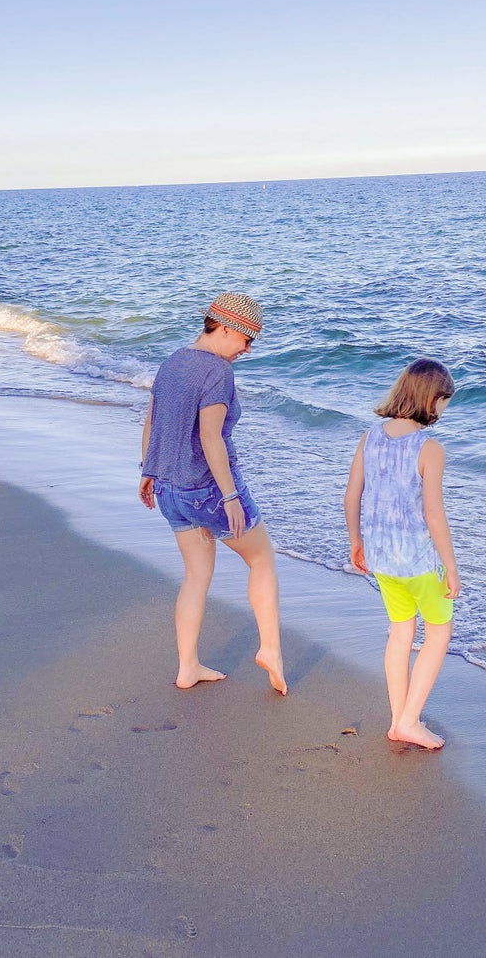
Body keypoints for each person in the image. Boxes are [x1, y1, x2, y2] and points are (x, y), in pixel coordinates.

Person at [139, 292, 287, 694]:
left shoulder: (172, 362)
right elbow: (210, 438)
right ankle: (270, 649)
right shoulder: (217, 373)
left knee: (196, 575)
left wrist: (147, 472)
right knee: (261, 557)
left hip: (168, 487)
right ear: (224, 328)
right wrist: (230, 496)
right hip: (206, 489)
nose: (248, 349)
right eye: (246, 338)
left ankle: (188, 667)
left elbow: (152, 421)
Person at [344, 359, 461, 750]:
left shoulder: (370, 437)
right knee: (439, 633)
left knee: (400, 633)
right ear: (433, 399)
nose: (444, 409)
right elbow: (433, 513)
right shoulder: (430, 448)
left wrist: (355, 542)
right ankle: (409, 721)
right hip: (419, 561)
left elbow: (352, 494)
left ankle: (399, 718)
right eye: (445, 401)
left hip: (381, 557)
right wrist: (452, 566)